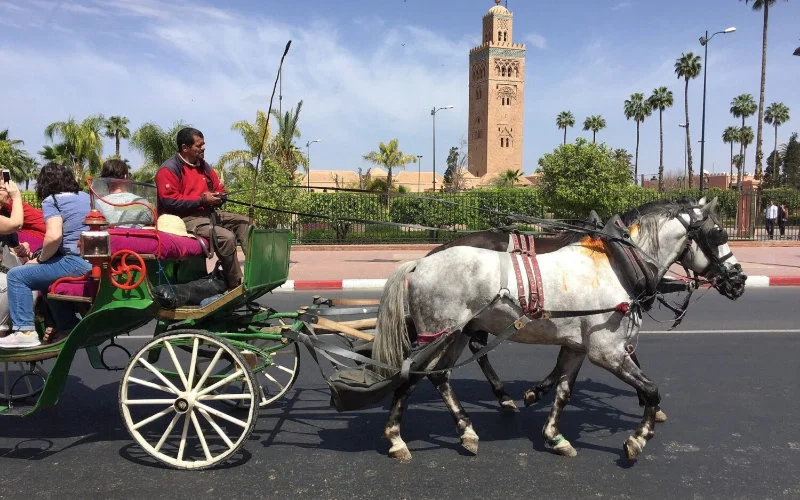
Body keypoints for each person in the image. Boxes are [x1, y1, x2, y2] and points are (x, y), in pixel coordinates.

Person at [0, 163, 92, 348]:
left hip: (75, 261)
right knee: (47, 281)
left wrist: (40, 259)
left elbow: (54, 236)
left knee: (16, 276)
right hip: (92, 260)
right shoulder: (85, 197)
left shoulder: (53, 200)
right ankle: (67, 328)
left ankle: (25, 331)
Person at [155, 127, 248, 290]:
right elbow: (169, 201)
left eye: (203, 144)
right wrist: (202, 199)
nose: (203, 148)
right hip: (184, 220)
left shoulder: (204, 167)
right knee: (226, 237)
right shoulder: (168, 169)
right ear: (185, 148)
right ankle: (235, 284)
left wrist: (219, 198)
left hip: (209, 213)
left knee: (245, 222)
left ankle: (256, 272)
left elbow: (220, 189)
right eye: (199, 145)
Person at [0, 177, 26, 337]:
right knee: (8, 284)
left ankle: (25, 331)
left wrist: (19, 249)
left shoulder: (4, 213)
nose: (6, 187)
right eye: (2, 186)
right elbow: (16, 223)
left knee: (30, 284)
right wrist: (17, 197)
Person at [95, 158, 153, 228]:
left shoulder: (97, 205)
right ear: (126, 176)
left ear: (103, 179)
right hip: (134, 238)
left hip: (108, 238)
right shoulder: (142, 203)